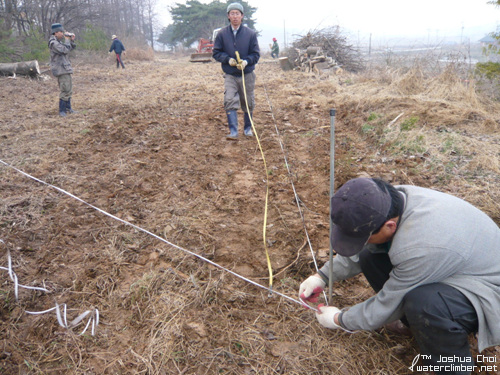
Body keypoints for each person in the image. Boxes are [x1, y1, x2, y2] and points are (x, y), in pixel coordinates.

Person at [299, 177, 500, 375]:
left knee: (424, 303)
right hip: (455, 263)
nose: (361, 242)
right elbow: (363, 249)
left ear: (390, 226)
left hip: (488, 291)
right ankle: (416, 325)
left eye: (363, 237)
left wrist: (339, 319)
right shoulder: (384, 201)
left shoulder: (420, 247)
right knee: (370, 255)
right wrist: (323, 276)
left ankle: (454, 368)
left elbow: (389, 303)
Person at [212, 2, 260, 140]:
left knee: (248, 102)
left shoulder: (250, 34)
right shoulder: (222, 34)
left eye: (237, 13)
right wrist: (228, 60)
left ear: (242, 16)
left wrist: (246, 61)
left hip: (247, 74)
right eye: (232, 13)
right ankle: (233, 131)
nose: (235, 16)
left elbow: (256, 54)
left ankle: (247, 129)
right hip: (230, 74)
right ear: (228, 16)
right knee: (229, 99)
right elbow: (216, 53)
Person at [48, 23, 76, 117]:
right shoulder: (53, 43)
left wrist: (71, 41)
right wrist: (67, 40)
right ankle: (62, 110)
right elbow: (64, 50)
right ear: (55, 33)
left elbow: (69, 48)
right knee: (65, 89)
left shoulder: (58, 42)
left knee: (69, 89)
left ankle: (68, 108)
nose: (63, 34)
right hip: (61, 70)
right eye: (61, 32)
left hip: (65, 68)